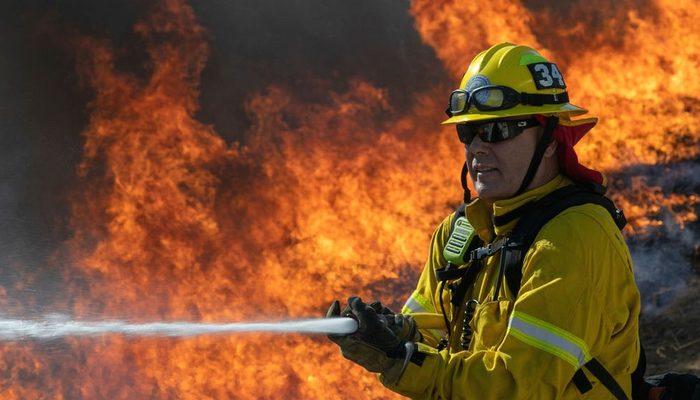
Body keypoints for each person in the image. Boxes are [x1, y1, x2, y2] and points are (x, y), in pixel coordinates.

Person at [326, 42, 643, 399]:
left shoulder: (575, 236)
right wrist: (392, 336)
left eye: (498, 130)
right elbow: (432, 336)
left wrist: (400, 361)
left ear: (551, 139)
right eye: (469, 132)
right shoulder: (459, 233)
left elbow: (516, 387)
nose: (478, 147)